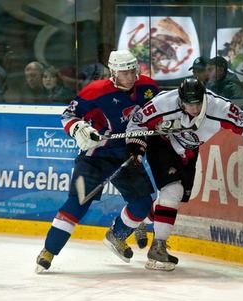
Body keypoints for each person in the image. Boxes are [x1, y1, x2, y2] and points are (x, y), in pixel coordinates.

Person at [110, 77, 243, 271]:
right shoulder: (164, 103)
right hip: (162, 143)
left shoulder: (219, 107)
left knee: (176, 198)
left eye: (198, 103)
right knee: (173, 190)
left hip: (188, 150)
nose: (194, 109)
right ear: (180, 99)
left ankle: (145, 221)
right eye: (188, 104)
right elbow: (137, 122)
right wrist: (136, 147)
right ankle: (158, 247)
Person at [35, 49, 160, 273]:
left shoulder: (148, 88)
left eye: (133, 71)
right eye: (124, 72)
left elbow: (157, 113)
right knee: (78, 203)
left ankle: (117, 235)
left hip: (128, 154)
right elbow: (68, 116)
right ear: (113, 72)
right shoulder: (96, 91)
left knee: (142, 205)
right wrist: (79, 129)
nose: (130, 77)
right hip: (95, 157)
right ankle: (49, 251)